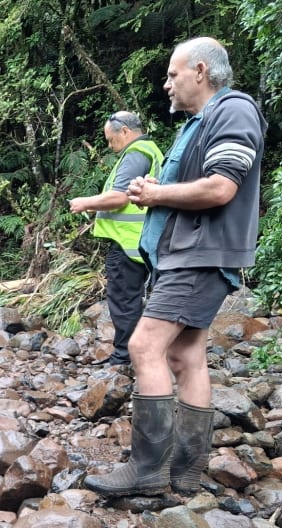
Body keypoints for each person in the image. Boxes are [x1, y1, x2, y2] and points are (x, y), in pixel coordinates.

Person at [85, 37, 266, 497]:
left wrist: (156, 193)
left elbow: (221, 188)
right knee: (185, 356)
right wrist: (158, 188)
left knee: (144, 344)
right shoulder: (199, 122)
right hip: (190, 253)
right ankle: (184, 472)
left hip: (200, 253)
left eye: (172, 74)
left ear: (201, 71)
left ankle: (147, 470)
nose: (166, 84)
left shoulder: (233, 111)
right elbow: (195, 184)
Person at [70, 112, 163, 366]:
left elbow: (120, 197)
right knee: (134, 299)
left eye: (111, 140)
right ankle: (137, 355)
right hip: (140, 242)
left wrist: (85, 203)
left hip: (128, 243)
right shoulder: (148, 151)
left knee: (124, 300)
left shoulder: (137, 154)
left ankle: (124, 357)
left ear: (124, 131)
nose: (110, 147)